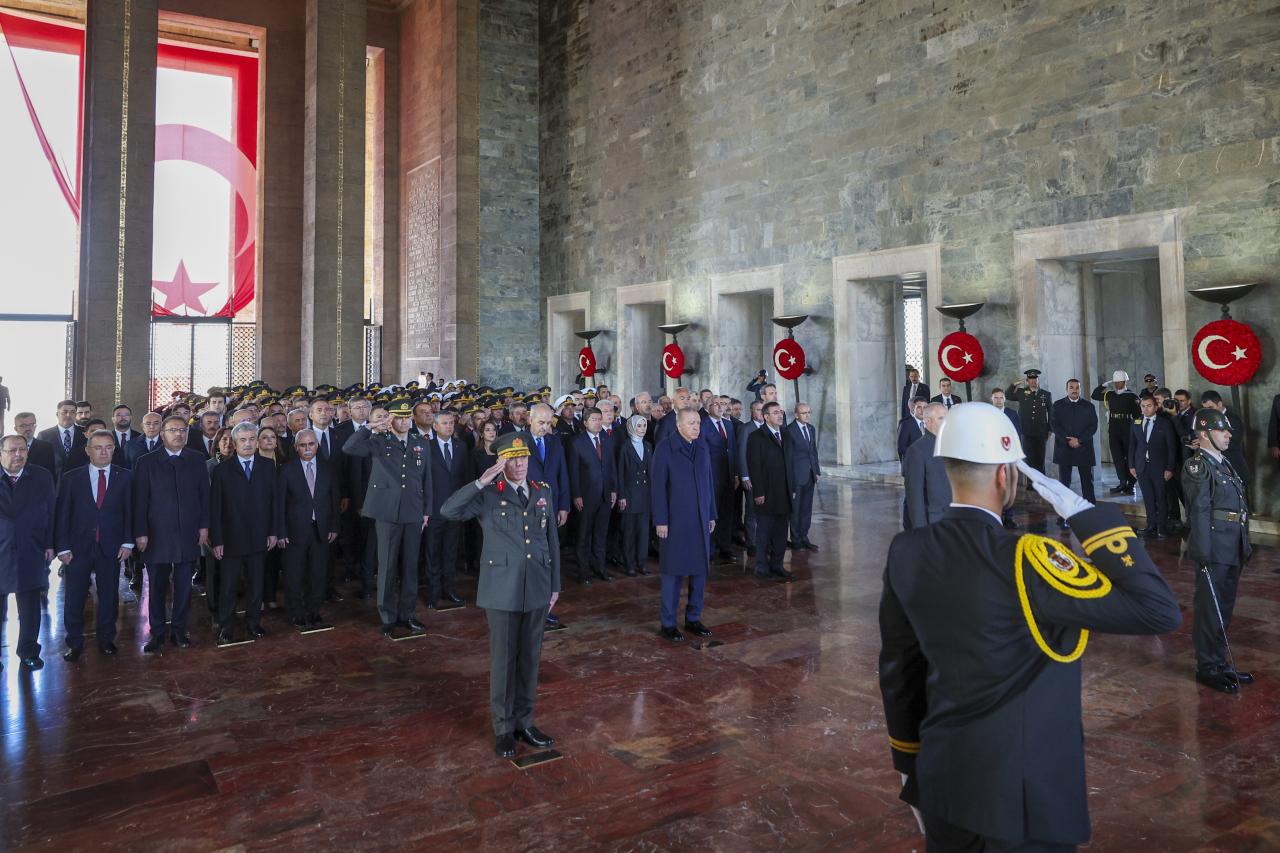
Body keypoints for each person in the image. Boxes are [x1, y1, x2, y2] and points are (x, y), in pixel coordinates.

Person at [878, 402, 1180, 851]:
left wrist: (908, 765)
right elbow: (1158, 610)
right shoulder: (1026, 559)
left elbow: (900, 669)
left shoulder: (907, 549)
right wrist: (1089, 517)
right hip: (1022, 798)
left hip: (942, 780)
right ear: (1006, 475)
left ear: (947, 468)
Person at [440, 432, 560, 760]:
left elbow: (551, 540)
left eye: (523, 458)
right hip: (502, 590)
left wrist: (554, 585)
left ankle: (526, 722)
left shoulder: (541, 491)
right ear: (500, 461)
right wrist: (481, 482)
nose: (519, 464)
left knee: (530, 659)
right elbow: (449, 511)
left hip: (537, 585)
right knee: (504, 661)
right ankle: (504, 728)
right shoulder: (489, 494)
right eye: (512, 458)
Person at [343, 398, 432, 637]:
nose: (403, 422)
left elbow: (427, 479)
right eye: (398, 418)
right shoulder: (379, 441)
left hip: (413, 510)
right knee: (387, 565)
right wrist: (370, 427)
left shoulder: (420, 443)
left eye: (406, 417)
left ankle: (408, 614)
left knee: (410, 566)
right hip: (387, 511)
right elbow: (349, 448)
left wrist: (426, 511)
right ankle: (388, 616)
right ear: (390, 419)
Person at [1181, 408, 1253, 694]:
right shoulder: (1198, 466)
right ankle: (1207, 667)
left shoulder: (1223, 462)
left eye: (1227, 430)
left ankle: (1220, 662)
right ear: (1204, 434)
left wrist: (1244, 542)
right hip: (1213, 547)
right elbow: (1199, 511)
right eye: (1222, 430)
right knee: (1210, 608)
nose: (1228, 435)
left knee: (1223, 607)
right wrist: (1202, 552)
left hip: (1231, 544)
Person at [131, 415, 209, 653]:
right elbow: (139, 500)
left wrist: (204, 526)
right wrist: (141, 532)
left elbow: (204, 496)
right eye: (173, 430)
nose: (178, 434)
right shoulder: (146, 462)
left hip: (188, 532)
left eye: (182, 430)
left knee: (184, 586)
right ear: (162, 434)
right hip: (156, 534)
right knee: (156, 586)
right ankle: (157, 632)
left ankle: (179, 630)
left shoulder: (196, 459)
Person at [53, 430, 132, 660]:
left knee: (109, 596)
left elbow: (130, 511)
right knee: (74, 597)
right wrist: (62, 547)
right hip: (77, 548)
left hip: (112, 546)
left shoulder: (125, 476)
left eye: (108, 447)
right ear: (88, 451)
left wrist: (128, 542)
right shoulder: (71, 478)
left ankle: (106, 639)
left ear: (114, 450)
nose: (103, 452)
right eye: (98, 447)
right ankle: (74, 642)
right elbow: (62, 515)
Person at [209, 423, 278, 644]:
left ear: (257, 442)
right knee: (228, 586)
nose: (248, 444)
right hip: (230, 539)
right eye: (243, 440)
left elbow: (274, 503)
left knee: (256, 585)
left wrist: (273, 532)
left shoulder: (268, 466)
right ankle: (226, 626)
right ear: (234, 443)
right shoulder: (222, 470)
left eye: (251, 439)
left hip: (260, 536)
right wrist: (217, 540)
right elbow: (215, 508)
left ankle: (253, 623)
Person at [650, 408, 716, 641]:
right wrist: (661, 520)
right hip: (675, 520)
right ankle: (668, 623)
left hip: (700, 518)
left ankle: (694, 618)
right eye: (691, 423)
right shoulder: (665, 448)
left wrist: (711, 514)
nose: (696, 427)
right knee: (673, 572)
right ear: (679, 425)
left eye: (698, 423)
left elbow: (709, 482)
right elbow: (658, 487)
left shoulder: (702, 446)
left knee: (699, 571)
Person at [0, 434, 56, 670]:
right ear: (1, 453)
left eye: (22, 450)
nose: (18, 455)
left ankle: (28, 652)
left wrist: (50, 544)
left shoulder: (41, 476)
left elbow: (52, 511)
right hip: (1, 549)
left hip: (32, 548)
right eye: (12, 450)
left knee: (30, 607)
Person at [276, 429, 340, 630]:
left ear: (317, 445)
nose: (307, 448)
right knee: (294, 575)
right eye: (302, 445)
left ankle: (314, 611)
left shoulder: (328, 468)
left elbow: (334, 500)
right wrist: (281, 532)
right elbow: (279, 504)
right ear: (296, 447)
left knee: (318, 574)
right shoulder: (286, 469)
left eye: (311, 444)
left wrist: (334, 526)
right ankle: (296, 613)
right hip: (294, 532)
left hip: (321, 530)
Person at [423, 410, 470, 608]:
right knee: (433, 551)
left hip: (455, 509)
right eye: (445, 423)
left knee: (451, 551)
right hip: (434, 509)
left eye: (451, 423)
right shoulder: (427, 446)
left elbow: (466, 477)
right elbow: (423, 479)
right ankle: (434, 591)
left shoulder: (461, 446)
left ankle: (449, 588)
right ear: (435, 426)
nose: (449, 426)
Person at [568, 406, 617, 584]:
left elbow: (611, 467)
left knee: (601, 534)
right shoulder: (576, 442)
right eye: (594, 419)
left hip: (605, 495)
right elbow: (573, 471)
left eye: (599, 419)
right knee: (584, 535)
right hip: (586, 496)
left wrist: (614, 490)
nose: (597, 422)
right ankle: (584, 572)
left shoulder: (606, 439)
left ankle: (600, 568)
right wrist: (576, 495)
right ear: (585, 422)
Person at [746, 401, 794, 582]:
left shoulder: (786, 434)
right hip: (766, 493)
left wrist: (792, 488)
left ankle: (777, 565)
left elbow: (790, 463)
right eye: (775, 412)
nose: (780, 415)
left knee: (781, 533)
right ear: (766, 417)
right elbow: (755, 466)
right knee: (764, 532)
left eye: (780, 412)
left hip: (784, 492)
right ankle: (761, 567)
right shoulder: (756, 437)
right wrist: (758, 492)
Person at [1049, 378, 1098, 529]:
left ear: (1080, 389)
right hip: (1064, 448)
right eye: (1071, 387)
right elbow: (1054, 425)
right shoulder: (1057, 405)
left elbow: (1093, 426)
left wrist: (1079, 440)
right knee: (1064, 484)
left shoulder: (1089, 406)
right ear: (1067, 389)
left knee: (1087, 483)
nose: (1074, 390)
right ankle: (1063, 516)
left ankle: (1091, 514)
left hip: (1084, 448)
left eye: (1077, 387)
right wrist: (1068, 440)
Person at [1128, 394, 1178, 539]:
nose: (1145, 409)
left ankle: (1162, 527)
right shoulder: (1136, 422)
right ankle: (1151, 525)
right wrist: (1131, 465)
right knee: (1148, 497)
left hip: (1160, 467)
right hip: (1141, 466)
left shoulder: (1165, 423)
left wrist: (1170, 468)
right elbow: (1132, 446)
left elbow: (1172, 448)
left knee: (1161, 497)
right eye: (1143, 406)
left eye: (1149, 406)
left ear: (1156, 407)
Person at [700, 396, 738, 562]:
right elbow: (702, 452)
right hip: (712, 477)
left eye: (722, 404)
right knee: (711, 515)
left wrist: (735, 473)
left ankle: (725, 548)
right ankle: (709, 550)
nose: (720, 407)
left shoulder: (728, 425)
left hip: (728, 476)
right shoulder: (703, 425)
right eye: (716, 404)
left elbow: (733, 450)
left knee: (727, 513)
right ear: (708, 407)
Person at [1091, 370, 1140, 495]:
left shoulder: (1132, 396)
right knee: (1117, 457)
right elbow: (1094, 395)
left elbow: (1138, 416)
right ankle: (1122, 482)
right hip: (1114, 429)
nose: (1118, 384)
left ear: (1125, 381)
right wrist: (1103, 385)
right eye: (1116, 382)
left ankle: (1131, 485)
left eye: (1120, 382)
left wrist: (1138, 432)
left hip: (1127, 428)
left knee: (1130, 457)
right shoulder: (1110, 394)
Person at [902, 403, 949, 529]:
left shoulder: (951, 444)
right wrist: (921, 532)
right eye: (941, 418)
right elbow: (915, 497)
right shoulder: (917, 451)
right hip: (933, 523)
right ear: (927, 421)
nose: (946, 422)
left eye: (947, 417)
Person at [617, 415, 652, 577]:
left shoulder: (648, 446)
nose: (642, 429)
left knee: (643, 532)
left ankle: (641, 563)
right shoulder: (625, 447)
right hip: (630, 495)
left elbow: (651, 472)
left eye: (644, 425)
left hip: (645, 495)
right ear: (631, 427)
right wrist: (622, 496)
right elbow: (620, 473)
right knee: (629, 533)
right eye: (639, 426)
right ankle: (629, 564)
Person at [784, 401, 821, 551]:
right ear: (796, 415)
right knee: (795, 509)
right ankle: (796, 539)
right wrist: (790, 480)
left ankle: (804, 536)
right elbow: (788, 458)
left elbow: (813, 451)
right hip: (796, 476)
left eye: (809, 412)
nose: (807, 415)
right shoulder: (789, 431)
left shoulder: (811, 428)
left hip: (810, 475)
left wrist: (816, 471)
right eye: (804, 413)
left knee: (806, 509)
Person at [1198, 391, 1249, 490]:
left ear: (1220, 404)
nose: (1208, 411)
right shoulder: (1207, 421)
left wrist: (1209, 443)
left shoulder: (1234, 419)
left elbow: (1233, 443)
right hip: (1217, 470)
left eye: (1210, 407)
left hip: (1234, 466)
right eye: (1205, 409)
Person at [1005, 369, 1052, 473]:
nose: (1033, 381)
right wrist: (1014, 384)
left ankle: (1040, 480)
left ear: (1038, 380)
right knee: (1029, 460)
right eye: (1031, 379)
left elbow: (1051, 412)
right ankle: (1030, 482)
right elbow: (1008, 395)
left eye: (1035, 379)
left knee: (1040, 459)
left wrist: (1050, 429)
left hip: (1041, 432)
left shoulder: (1046, 394)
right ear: (1027, 381)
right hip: (1026, 432)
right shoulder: (1021, 392)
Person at [737, 400, 765, 557]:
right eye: (758, 410)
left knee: (765, 511)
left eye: (763, 409)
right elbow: (741, 453)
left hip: (767, 478)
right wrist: (744, 476)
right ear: (752, 411)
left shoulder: (768, 427)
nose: (761, 413)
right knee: (752, 511)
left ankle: (763, 540)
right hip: (751, 477)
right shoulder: (746, 428)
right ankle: (751, 543)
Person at [37, 399, 85, 480]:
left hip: (80, 480)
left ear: (76, 414)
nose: (68, 415)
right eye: (64, 412)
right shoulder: (44, 435)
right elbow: (39, 462)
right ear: (57, 414)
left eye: (72, 412)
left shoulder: (85, 433)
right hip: (53, 482)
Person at [12, 411, 57, 477]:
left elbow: (51, 474)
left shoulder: (46, 447)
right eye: (23, 426)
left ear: (35, 426)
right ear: (15, 429)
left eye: (31, 424)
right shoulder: (6, 447)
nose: (28, 428)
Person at [896, 398, 928, 464]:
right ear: (913, 409)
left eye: (925, 407)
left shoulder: (930, 423)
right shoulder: (906, 424)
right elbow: (901, 447)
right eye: (919, 407)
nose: (922, 410)